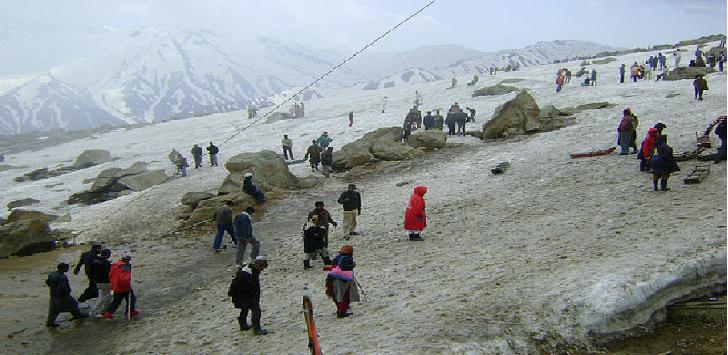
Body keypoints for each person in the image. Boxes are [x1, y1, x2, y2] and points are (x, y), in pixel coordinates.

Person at [228, 256, 269, 335]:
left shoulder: (251, 271)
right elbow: (235, 287)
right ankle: (256, 328)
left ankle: (243, 325)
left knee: (245, 309)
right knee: (256, 310)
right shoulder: (245, 274)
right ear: (257, 265)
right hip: (243, 296)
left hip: (246, 295)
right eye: (262, 267)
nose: (262, 270)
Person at [46, 263, 87, 327]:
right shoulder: (62, 277)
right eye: (67, 268)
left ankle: (50, 322)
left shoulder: (52, 274)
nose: (68, 269)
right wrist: (67, 291)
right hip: (63, 296)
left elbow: (47, 282)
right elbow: (62, 288)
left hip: (53, 295)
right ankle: (78, 315)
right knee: (73, 304)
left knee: (53, 310)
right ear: (63, 269)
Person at [325, 245, 359, 318]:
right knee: (344, 296)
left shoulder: (337, 257)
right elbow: (344, 267)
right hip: (341, 280)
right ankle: (342, 312)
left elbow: (333, 266)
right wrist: (352, 265)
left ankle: (339, 310)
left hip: (331, 278)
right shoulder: (347, 258)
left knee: (336, 295)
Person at [102, 254, 139, 319]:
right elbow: (125, 279)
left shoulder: (115, 265)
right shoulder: (126, 266)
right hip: (123, 287)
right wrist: (128, 287)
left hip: (114, 286)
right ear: (128, 260)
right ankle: (130, 312)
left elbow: (110, 275)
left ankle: (108, 313)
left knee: (116, 301)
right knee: (131, 299)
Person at [88, 249, 112, 317]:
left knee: (104, 295)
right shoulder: (106, 263)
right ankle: (94, 312)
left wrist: (92, 278)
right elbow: (110, 273)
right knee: (105, 297)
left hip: (97, 281)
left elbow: (90, 270)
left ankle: (104, 311)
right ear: (107, 255)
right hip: (105, 282)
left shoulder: (95, 260)